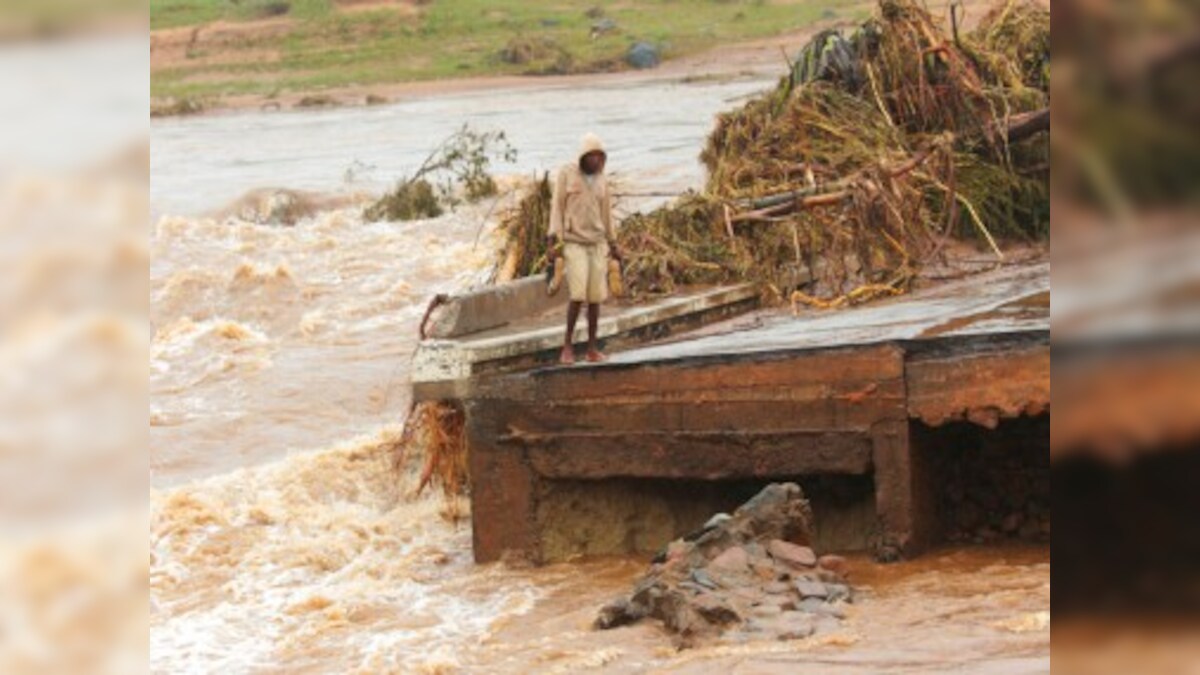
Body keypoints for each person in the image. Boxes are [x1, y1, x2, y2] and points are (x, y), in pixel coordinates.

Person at [547, 132, 621, 365]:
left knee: (596, 297)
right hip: (574, 242)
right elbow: (557, 208)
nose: (596, 161)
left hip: (597, 243)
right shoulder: (567, 174)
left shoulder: (601, 180)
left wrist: (613, 243)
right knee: (577, 294)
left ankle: (591, 348)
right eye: (592, 156)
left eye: (600, 157)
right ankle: (567, 346)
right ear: (583, 157)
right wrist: (552, 241)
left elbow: (607, 214)